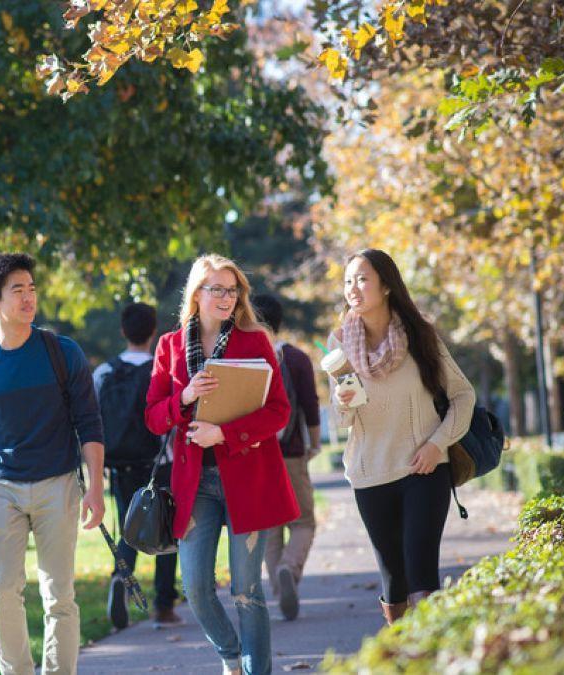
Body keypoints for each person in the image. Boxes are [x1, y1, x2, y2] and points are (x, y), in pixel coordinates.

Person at [144, 254, 299, 675]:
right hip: (195, 485)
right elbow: (154, 415)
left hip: (249, 479)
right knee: (194, 587)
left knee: (247, 591)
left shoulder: (255, 343)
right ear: (197, 295)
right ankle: (231, 656)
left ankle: (255, 671)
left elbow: (279, 412)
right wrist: (185, 398)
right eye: (217, 289)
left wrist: (225, 434)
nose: (227, 298)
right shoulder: (171, 347)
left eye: (232, 290)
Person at [0, 253, 106, 675]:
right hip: (0, 489)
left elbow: (89, 424)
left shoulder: (63, 353)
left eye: (32, 288)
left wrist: (95, 487)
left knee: (59, 596)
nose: (28, 297)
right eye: (17, 290)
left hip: (58, 484)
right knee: (0, 590)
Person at [326, 248, 475, 625]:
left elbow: (463, 395)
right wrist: (342, 401)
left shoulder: (419, 335)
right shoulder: (340, 342)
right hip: (369, 475)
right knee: (393, 581)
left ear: (386, 286)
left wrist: (436, 444)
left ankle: (430, 658)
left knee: (422, 575)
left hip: (423, 471)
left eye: (362, 279)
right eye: (348, 281)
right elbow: (343, 420)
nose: (353, 289)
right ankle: (402, 657)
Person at [92, 302, 180, 629]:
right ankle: (164, 604)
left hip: (118, 465)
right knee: (165, 530)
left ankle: (122, 580)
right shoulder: (162, 372)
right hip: (158, 463)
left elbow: (93, 422)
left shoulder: (103, 373)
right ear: (153, 331)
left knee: (129, 529)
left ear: (122, 331)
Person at [252, 293, 321, 622]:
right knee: (304, 521)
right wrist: (315, 443)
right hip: (291, 453)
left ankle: (280, 591)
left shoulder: (245, 358)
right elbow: (309, 404)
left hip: (256, 455)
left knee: (270, 526)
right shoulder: (295, 358)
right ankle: (288, 570)